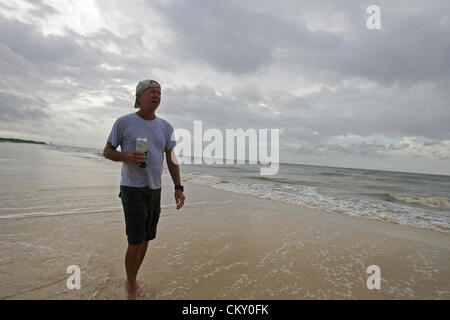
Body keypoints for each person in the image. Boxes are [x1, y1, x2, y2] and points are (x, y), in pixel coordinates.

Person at [103, 79, 185, 300]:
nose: (157, 95)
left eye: (159, 92)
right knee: (135, 240)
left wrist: (178, 186)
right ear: (139, 96)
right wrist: (126, 156)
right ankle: (131, 284)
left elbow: (172, 158)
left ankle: (133, 277)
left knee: (147, 238)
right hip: (132, 188)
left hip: (154, 189)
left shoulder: (165, 127)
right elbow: (108, 151)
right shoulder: (124, 122)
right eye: (152, 91)